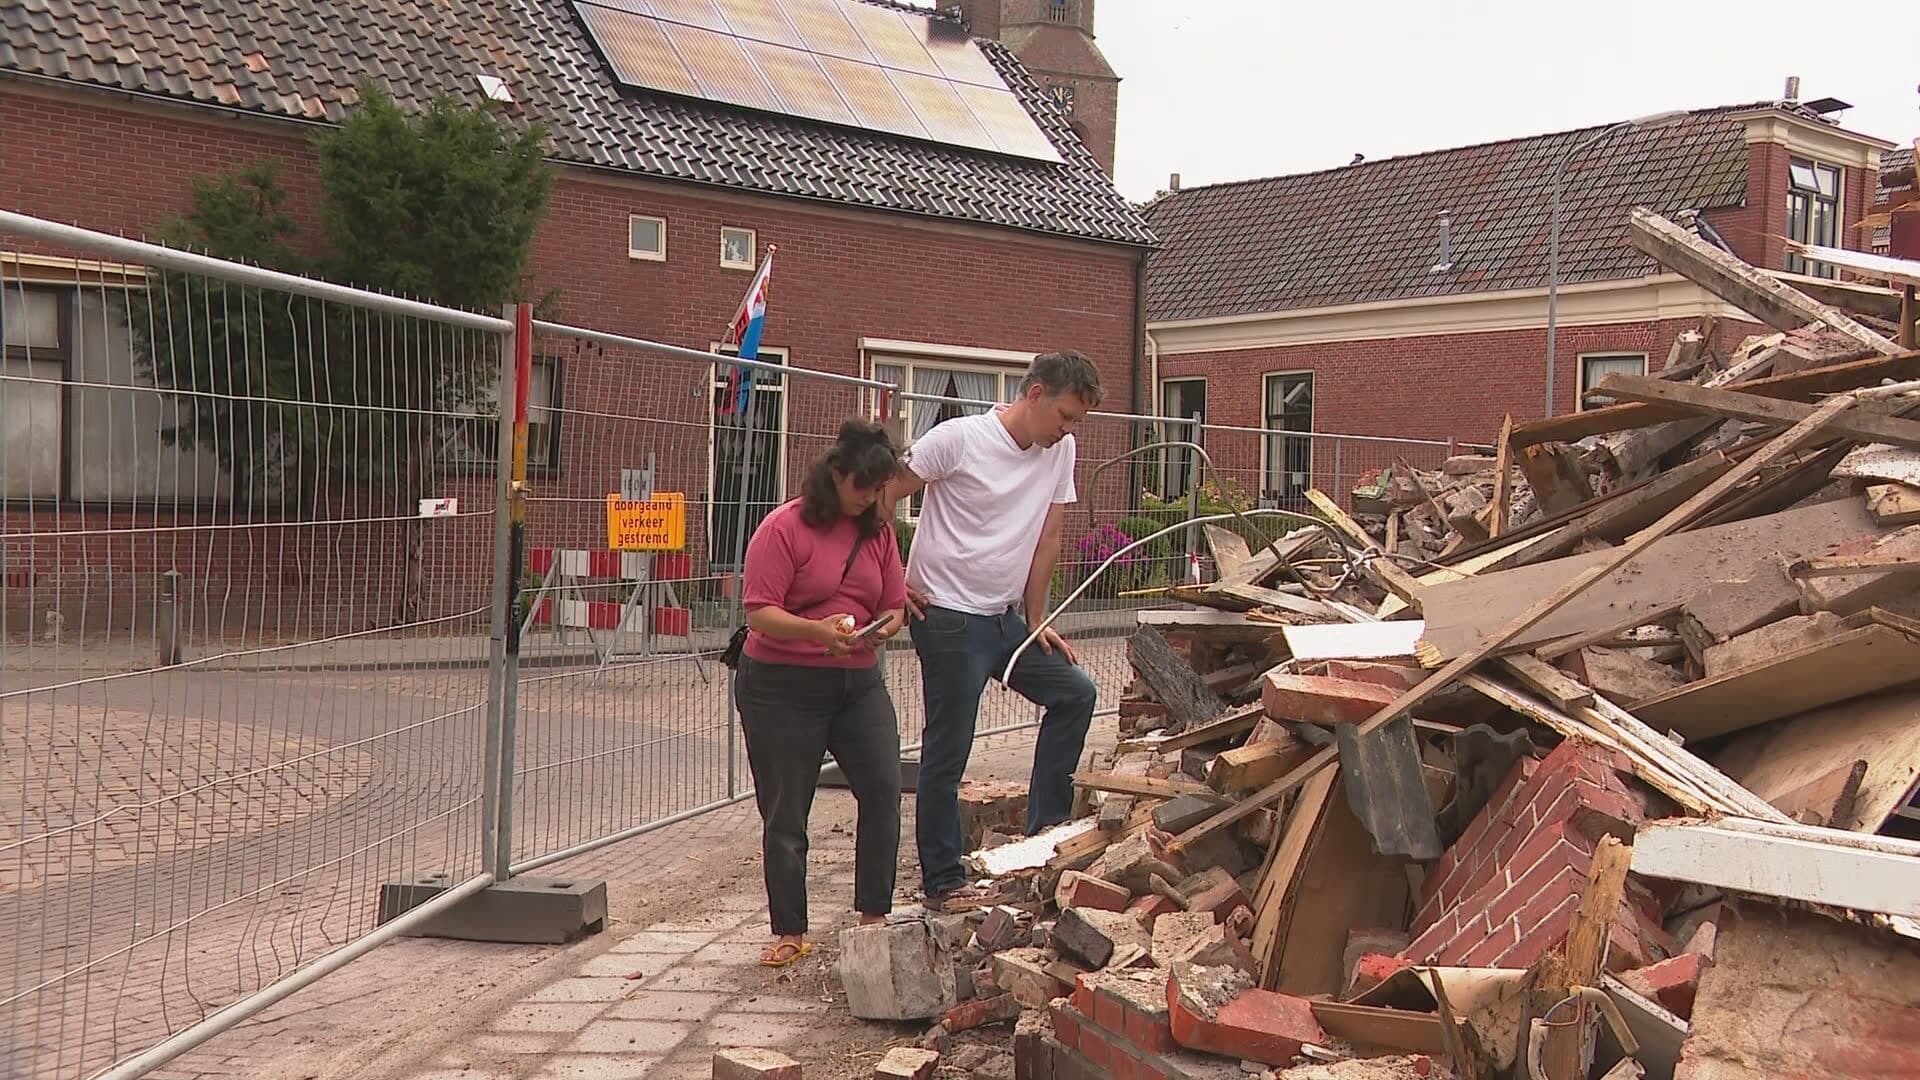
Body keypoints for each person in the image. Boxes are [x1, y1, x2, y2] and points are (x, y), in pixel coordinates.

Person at [886, 350, 1103, 911]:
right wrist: (890, 582)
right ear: (1035, 396)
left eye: (1076, 421)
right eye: (1065, 416)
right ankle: (942, 879)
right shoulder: (957, 440)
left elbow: (1048, 535)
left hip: (1004, 618)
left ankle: (1046, 835)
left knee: (1075, 693)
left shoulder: (1062, 451)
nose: (1068, 430)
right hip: (949, 619)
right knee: (949, 748)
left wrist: (1037, 620)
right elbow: (882, 495)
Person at [735, 419, 908, 966]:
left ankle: (873, 914)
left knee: (883, 787)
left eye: (880, 490)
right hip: (782, 684)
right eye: (864, 488)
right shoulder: (784, 528)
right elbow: (760, 611)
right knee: (787, 808)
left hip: (857, 680)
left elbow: (896, 606)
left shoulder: (878, 534)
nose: (872, 500)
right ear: (836, 474)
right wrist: (818, 632)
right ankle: (790, 929)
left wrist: (879, 629)